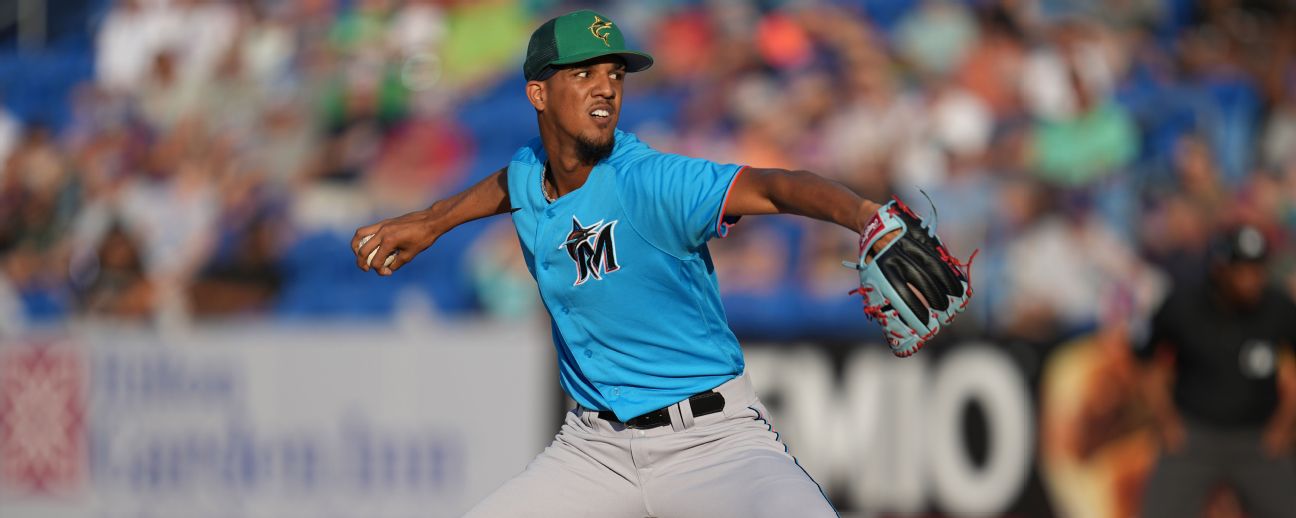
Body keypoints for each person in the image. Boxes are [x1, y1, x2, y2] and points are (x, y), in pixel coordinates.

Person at [352, 10, 968, 517]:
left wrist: (862, 212)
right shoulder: (528, 169)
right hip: (593, 452)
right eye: (584, 72)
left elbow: (776, 185)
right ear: (538, 93)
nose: (606, 86)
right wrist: (433, 220)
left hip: (715, 444)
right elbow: (510, 182)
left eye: (615, 73)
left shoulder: (650, 180)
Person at [1135, 224, 1296, 518]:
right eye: (1243, 270)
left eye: (1258, 270)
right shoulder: (1183, 305)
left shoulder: (1279, 308)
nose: (1252, 280)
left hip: (1258, 441)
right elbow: (1149, 365)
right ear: (1221, 269)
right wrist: (1167, 422)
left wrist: (1283, 426)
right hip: (1194, 436)